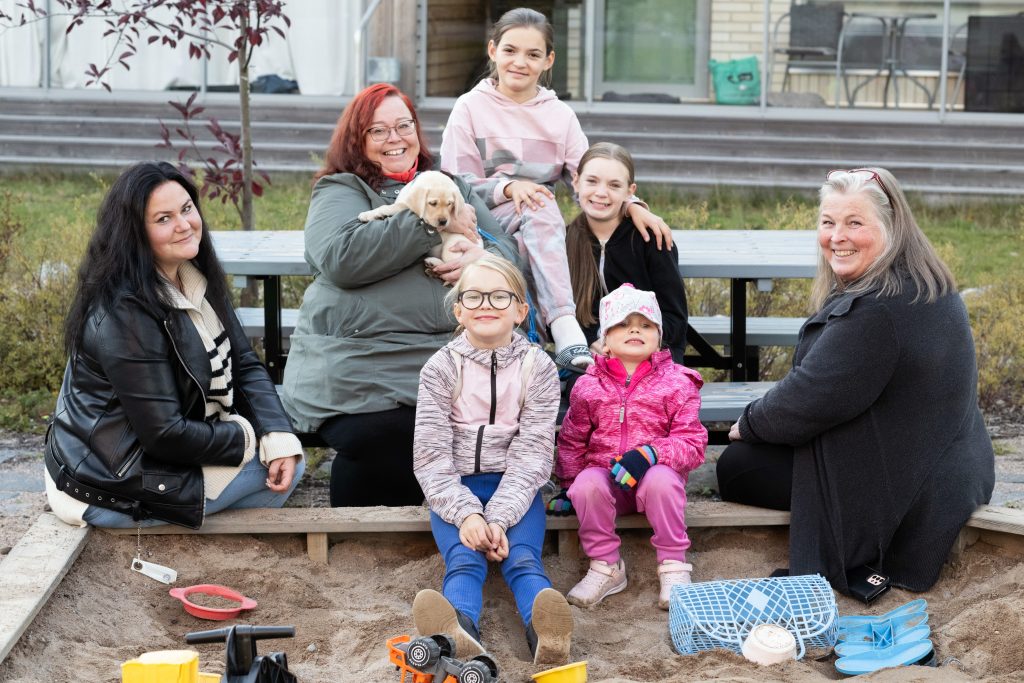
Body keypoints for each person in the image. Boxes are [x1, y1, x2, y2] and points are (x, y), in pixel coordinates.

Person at [716, 167, 995, 594]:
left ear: (890, 226)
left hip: (912, 494)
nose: (837, 236)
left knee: (737, 467)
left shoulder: (879, 309)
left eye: (854, 223)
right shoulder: (921, 279)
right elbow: (830, 388)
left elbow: (811, 397)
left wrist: (749, 423)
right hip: (947, 464)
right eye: (828, 223)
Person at [280, 83, 519, 507]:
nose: (395, 139)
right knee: (388, 435)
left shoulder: (450, 185)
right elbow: (340, 257)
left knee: (467, 430)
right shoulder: (342, 189)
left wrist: (480, 262)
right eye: (378, 131)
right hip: (361, 364)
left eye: (403, 125)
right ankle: (358, 546)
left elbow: (507, 253)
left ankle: (440, 538)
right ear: (358, 139)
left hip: (445, 359)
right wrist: (432, 221)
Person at [44, 162, 304, 529]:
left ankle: (188, 525)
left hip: (157, 450)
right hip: (109, 476)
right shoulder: (124, 312)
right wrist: (247, 435)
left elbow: (244, 363)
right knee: (286, 468)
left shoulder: (192, 276)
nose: (184, 224)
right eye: (163, 219)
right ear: (135, 233)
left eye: (186, 209)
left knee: (282, 450)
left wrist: (275, 432)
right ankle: (172, 528)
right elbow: (164, 435)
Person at [439, 6, 672, 370]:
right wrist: (508, 188)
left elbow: (589, 177)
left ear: (548, 60)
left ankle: (528, 345)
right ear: (492, 51)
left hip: (535, 227)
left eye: (533, 54)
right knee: (539, 206)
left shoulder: (559, 115)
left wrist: (633, 204)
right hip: (482, 219)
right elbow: (455, 186)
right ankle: (563, 327)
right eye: (510, 50)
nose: (520, 62)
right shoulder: (469, 108)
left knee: (535, 219)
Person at [411, 255, 573, 666]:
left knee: (522, 559)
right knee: (463, 560)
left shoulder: (538, 368)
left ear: (521, 311)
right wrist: (466, 515)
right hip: (456, 490)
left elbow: (534, 453)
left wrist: (499, 518)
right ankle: (459, 632)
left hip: (516, 490)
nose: (486, 303)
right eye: (475, 295)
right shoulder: (440, 368)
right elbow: (431, 455)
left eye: (500, 296)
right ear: (459, 309)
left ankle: (547, 636)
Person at [552, 284, 707, 610]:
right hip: (608, 481)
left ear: (658, 336)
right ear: (605, 339)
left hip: (655, 484)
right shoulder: (588, 385)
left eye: (645, 324)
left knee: (662, 480)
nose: (634, 328)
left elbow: (692, 442)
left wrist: (650, 454)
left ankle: (673, 566)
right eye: (623, 323)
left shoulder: (678, 382)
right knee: (586, 485)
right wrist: (568, 485)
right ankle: (607, 566)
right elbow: (573, 438)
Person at [566, 142, 689, 364]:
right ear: (576, 181)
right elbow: (560, 313)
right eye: (592, 181)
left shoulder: (651, 239)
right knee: (581, 392)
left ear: (630, 192)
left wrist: (632, 346)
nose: (601, 192)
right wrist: (591, 342)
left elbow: (675, 319)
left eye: (614, 185)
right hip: (594, 358)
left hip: (653, 358)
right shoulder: (566, 241)